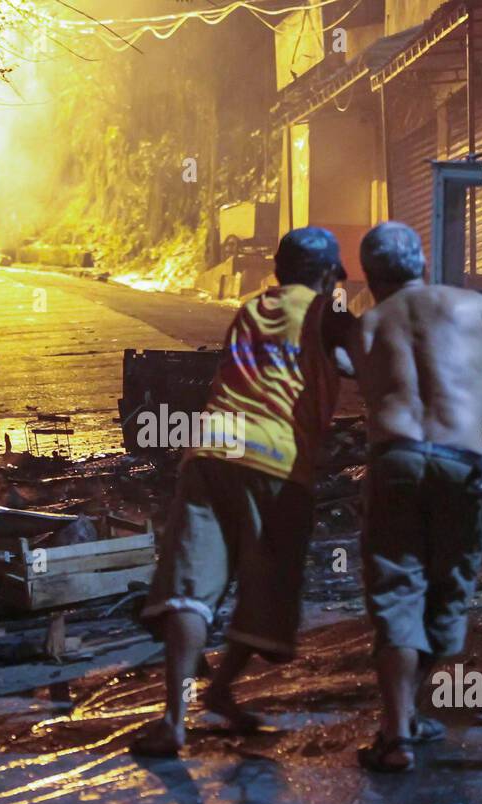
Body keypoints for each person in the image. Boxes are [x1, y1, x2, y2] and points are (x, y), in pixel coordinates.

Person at [330, 222, 482, 772]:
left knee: (398, 590)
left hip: (394, 460)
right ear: (424, 264)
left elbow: (355, 373)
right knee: (448, 592)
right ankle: (402, 720)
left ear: (370, 279)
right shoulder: (469, 306)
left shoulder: (367, 325)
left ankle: (397, 733)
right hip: (461, 463)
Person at [130, 227, 347, 757]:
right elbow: (365, 362)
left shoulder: (250, 309)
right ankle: (223, 685)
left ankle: (175, 720)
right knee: (269, 586)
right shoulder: (327, 314)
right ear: (324, 276)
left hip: (210, 454)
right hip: (277, 465)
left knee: (191, 585)